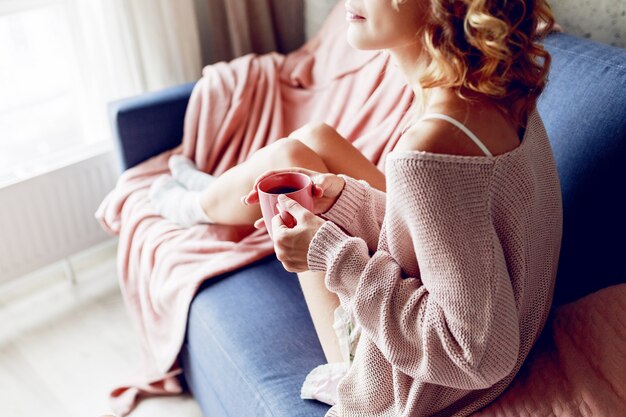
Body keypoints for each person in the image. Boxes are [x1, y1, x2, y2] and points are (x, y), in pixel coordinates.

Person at [150, 0, 562, 415]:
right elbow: (447, 233)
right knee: (313, 140)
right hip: (511, 322)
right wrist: (346, 200)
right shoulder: (501, 89)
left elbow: (476, 355)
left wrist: (328, 254)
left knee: (288, 162)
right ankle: (205, 198)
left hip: (412, 381)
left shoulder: (429, 151)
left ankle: (194, 205)